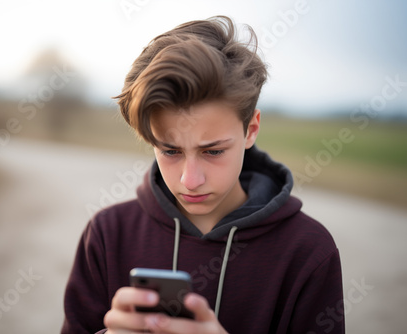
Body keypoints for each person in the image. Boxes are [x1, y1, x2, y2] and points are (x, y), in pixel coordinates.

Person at [61, 16, 344, 334]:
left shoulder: (308, 251)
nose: (189, 180)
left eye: (213, 151)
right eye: (171, 151)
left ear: (251, 129)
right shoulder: (107, 235)